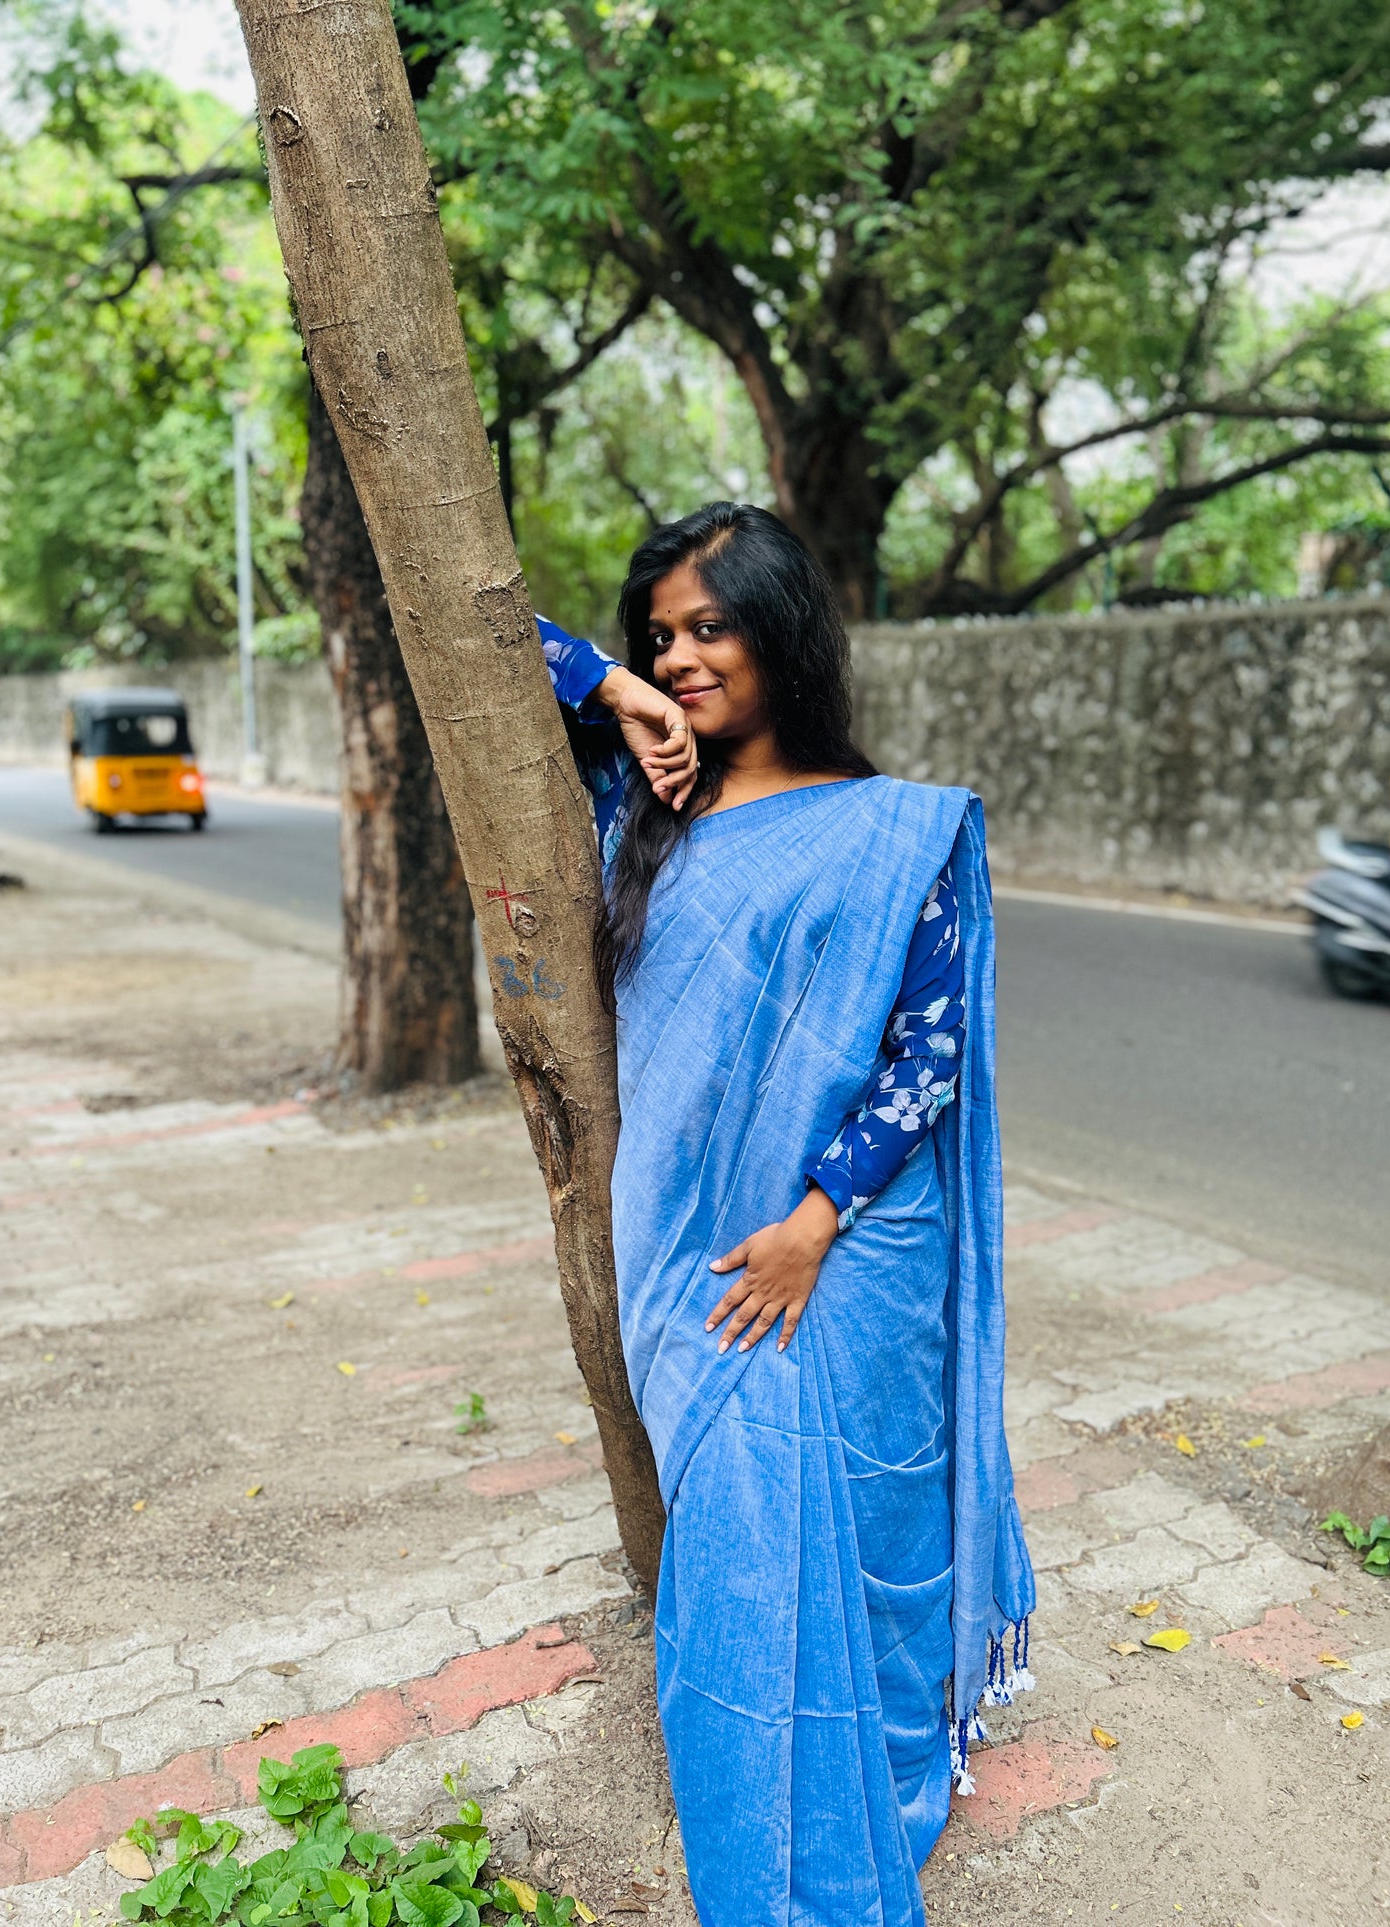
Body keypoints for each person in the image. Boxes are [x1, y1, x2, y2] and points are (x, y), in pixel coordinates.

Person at [538, 502, 1034, 1927]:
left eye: (709, 627)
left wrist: (817, 1216)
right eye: (658, 636)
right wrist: (617, 693)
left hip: (854, 1243)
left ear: (783, 629)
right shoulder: (641, 801)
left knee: (866, 1521)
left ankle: (889, 1759)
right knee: (747, 1552)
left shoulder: (899, 831)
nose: (681, 657)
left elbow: (921, 1055)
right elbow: (480, 630)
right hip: (693, 1256)